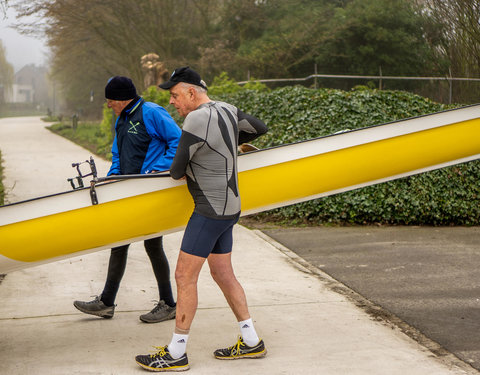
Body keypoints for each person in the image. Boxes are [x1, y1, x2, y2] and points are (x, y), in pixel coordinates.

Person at [135, 67, 268, 372]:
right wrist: (228, 142)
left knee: (184, 276)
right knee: (222, 273)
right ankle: (251, 342)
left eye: (175, 95)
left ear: (191, 92)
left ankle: (176, 352)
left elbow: (176, 170)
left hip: (209, 210)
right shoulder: (227, 109)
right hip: (229, 208)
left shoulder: (195, 118)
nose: (173, 102)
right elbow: (258, 128)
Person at [73, 76, 182, 323]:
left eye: (110, 100)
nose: (108, 104)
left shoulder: (152, 112)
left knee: (152, 244)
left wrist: (157, 170)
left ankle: (167, 303)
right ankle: (107, 302)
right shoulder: (121, 118)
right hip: (128, 192)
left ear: (122, 98)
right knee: (121, 241)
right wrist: (113, 179)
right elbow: (118, 153)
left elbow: (178, 140)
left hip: (147, 191)